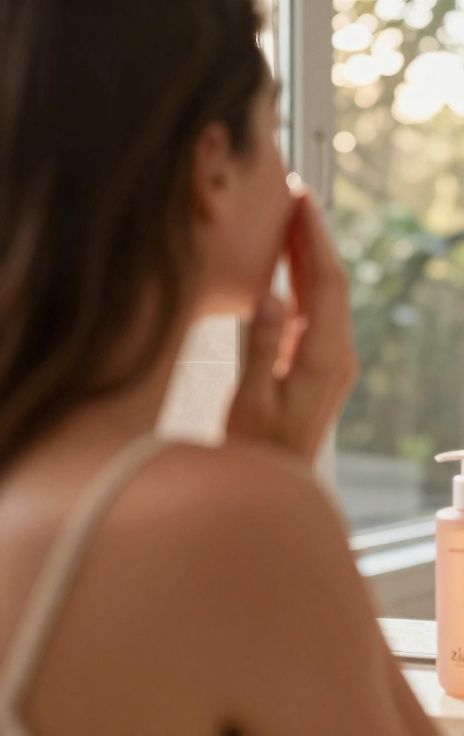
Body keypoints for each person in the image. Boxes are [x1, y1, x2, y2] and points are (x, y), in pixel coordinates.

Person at [0, 0, 436, 732]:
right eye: (275, 130)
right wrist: (284, 483)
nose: (293, 179)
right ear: (212, 167)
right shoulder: (232, 527)